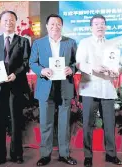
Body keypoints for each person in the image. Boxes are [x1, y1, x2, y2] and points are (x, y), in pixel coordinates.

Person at [29, 14, 77, 166]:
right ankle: (45, 155)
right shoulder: (38, 43)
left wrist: (72, 68)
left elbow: (76, 62)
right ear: (46, 26)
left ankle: (64, 154)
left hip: (65, 86)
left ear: (62, 26)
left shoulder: (70, 42)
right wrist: (41, 71)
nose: (55, 26)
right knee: (46, 122)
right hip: (46, 85)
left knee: (64, 123)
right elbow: (32, 62)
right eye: (52, 24)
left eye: (58, 24)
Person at [76, 14, 122, 167]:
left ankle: (111, 154)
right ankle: (88, 156)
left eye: (102, 24)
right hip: (89, 88)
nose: (100, 26)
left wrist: (117, 71)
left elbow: (119, 64)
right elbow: (79, 63)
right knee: (88, 124)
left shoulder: (112, 45)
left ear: (106, 26)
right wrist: (92, 68)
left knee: (109, 124)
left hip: (107, 89)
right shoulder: (84, 43)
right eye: (96, 24)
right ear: (91, 27)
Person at [0, 10, 31, 165]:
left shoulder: (23, 41)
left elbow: (26, 63)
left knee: (16, 121)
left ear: (16, 22)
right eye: (5, 20)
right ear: (0, 23)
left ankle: (16, 154)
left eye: (12, 20)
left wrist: (16, 74)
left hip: (16, 86)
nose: (9, 22)